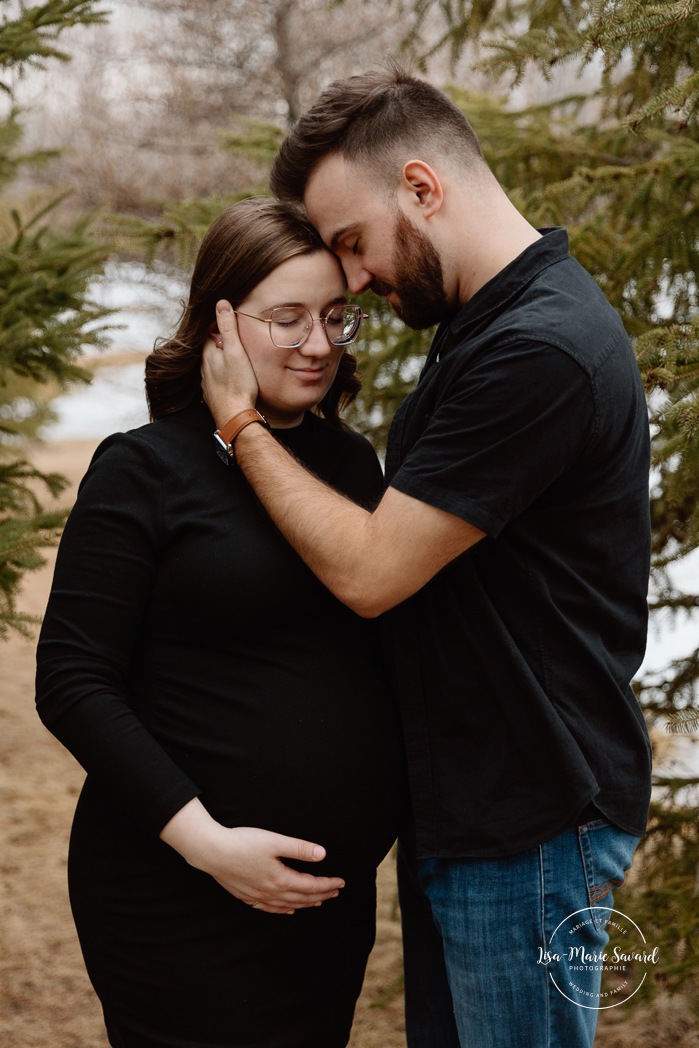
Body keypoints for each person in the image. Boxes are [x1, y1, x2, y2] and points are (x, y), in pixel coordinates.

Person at [199, 65, 653, 1048]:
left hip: (531, 817)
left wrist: (238, 422)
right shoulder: (483, 325)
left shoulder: (540, 346)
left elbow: (371, 571)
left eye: (353, 244)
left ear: (421, 185)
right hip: (481, 813)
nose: (354, 277)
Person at [35, 197, 404, 1048]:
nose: (317, 344)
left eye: (334, 317)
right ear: (220, 325)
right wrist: (205, 843)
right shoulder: (143, 469)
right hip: (177, 893)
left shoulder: (350, 463)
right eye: (287, 319)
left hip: (324, 904)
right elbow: (72, 680)